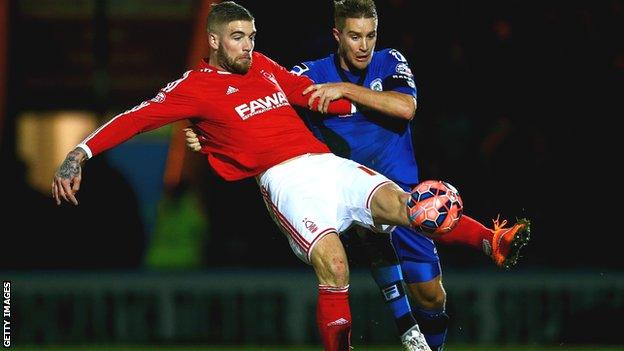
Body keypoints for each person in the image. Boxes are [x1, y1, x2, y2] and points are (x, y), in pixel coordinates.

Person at [52, 2, 437, 350]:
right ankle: (393, 332)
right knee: (341, 262)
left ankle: (486, 248)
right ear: (214, 40)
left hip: (333, 167)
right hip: (291, 182)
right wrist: (79, 153)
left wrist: (351, 96)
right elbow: (135, 119)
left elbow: (314, 97)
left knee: (418, 239)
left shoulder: (263, 66)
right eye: (238, 38)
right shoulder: (194, 87)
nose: (248, 46)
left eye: (252, 37)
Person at [183, 1, 531, 350]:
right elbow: (258, 107)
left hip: (404, 193)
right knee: (371, 242)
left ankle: (427, 327)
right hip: (345, 190)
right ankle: (435, 298)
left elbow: (405, 107)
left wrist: (346, 90)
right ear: (337, 36)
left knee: (430, 295)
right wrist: (213, 134)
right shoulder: (310, 72)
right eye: (354, 36)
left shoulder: (389, 60)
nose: (364, 45)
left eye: (370, 36)